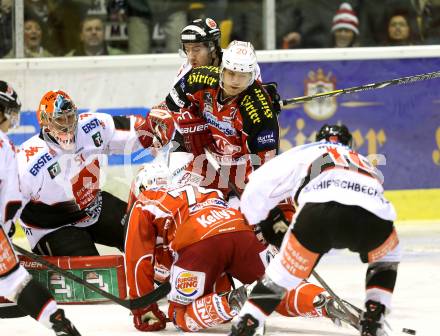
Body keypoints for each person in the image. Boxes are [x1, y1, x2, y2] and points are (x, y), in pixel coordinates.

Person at [124, 162, 346, 333]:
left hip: (199, 240)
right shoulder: (205, 190)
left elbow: (138, 260)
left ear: (140, 187)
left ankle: (238, 299)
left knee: (180, 314)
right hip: (240, 229)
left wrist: (144, 310)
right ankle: (321, 301)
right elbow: (216, 268)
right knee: (276, 286)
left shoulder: (145, 201)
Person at [229, 124, 401, 336]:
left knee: (281, 276)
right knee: (386, 260)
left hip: (318, 215)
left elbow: (260, 180)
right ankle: (374, 317)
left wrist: (256, 218)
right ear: (350, 144)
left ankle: (249, 319)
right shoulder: (363, 160)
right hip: (372, 217)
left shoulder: (308, 150)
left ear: (320, 139)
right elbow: (375, 197)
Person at [16, 89, 174, 256]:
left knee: (148, 236)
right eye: (59, 120)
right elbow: (7, 202)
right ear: (45, 122)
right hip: (52, 228)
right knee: (91, 272)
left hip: (93, 207)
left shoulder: (91, 126)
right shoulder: (29, 161)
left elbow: (136, 132)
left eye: (70, 117)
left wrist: (153, 129)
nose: (67, 125)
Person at [0, 80, 81, 335]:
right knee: (14, 281)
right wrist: (6, 231)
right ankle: (59, 322)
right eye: (9, 112)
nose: (12, 119)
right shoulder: (5, 148)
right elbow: (11, 202)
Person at [165, 40, 277, 198]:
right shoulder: (201, 77)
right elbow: (173, 101)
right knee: (182, 200)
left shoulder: (260, 113)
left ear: (252, 77)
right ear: (222, 70)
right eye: (231, 73)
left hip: (239, 169)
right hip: (203, 159)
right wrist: (191, 125)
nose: (235, 81)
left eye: (242, 76)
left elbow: (265, 166)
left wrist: (254, 194)